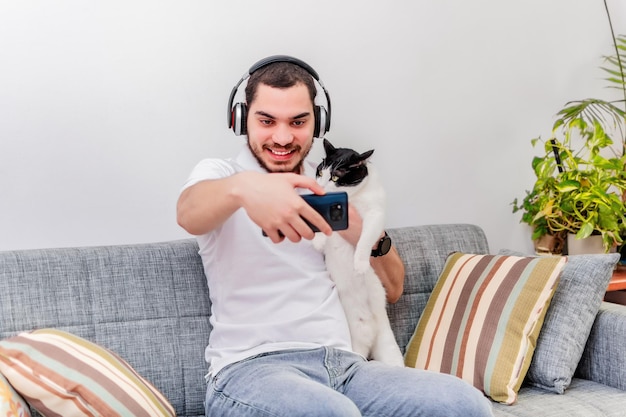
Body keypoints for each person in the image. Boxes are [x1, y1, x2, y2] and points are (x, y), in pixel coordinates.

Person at [177, 55, 493, 417]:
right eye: (267, 121)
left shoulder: (332, 183)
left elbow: (393, 288)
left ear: (319, 122)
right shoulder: (222, 174)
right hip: (252, 370)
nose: (282, 137)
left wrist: (361, 230)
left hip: (346, 366)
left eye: (298, 121)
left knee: (463, 403)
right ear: (241, 119)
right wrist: (244, 189)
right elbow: (188, 212)